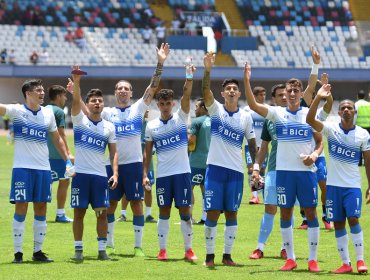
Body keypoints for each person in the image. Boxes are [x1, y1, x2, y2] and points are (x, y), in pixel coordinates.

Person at [244, 65, 324, 272]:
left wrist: (314, 155)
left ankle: (312, 259)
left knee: (311, 213)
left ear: (300, 93)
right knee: (285, 214)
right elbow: (253, 105)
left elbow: (319, 141)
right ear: (285, 93)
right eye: (289, 90)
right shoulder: (276, 114)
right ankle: (291, 258)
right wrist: (246, 79)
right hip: (283, 174)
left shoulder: (309, 114)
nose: (292, 93)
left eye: (296, 90)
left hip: (306, 173)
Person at [102, 43, 170, 256]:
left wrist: (160, 63)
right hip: (111, 166)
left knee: (137, 205)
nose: (123, 90)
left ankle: (138, 247)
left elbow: (153, 87)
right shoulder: (106, 112)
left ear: (131, 93)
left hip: (133, 165)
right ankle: (110, 243)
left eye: (126, 88)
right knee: (110, 206)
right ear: (115, 93)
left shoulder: (139, 107)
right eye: (119, 88)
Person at [0, 79, 72, 263]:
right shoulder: (17, 111)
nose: (42, 93)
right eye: (38, 90)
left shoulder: (48, 114)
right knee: (21, 208)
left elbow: (57, 140)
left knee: (41, 207)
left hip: (43, 169)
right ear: (28, 93)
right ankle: (18, 254)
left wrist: (68, 162)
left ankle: (38, 252)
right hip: (22, 169)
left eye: (42, 90)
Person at [306, 85, 370, 274]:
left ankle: (360, 261)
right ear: (339, 111)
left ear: (355, 111)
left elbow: (368, 162)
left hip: (352, 186)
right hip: (333, 186)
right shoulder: (331, 129)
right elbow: (310, 120)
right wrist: (318, 97)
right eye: (343, 108)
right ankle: (346, 263)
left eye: (350, 107)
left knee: (353, 219)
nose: (347, 110)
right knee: (339, 223)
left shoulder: (363, 134)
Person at [202, 52, 257, 267]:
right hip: (215, 169)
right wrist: (207, 70)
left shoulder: (246, 116)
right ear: (223, 93)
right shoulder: (215, 110)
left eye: (235, 88)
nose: (232, 91)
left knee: (232, 212)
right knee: (213, 212)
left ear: (239, 93)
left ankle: (227, 256)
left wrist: (254, 168)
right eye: (228, 89)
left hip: (235, 172)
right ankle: (209, 257)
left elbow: (252, 144)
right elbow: (205, 91)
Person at [143, 66, 197, 261]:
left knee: (185, 211)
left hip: (182, 173)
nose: (165, 106)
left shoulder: (181, 120)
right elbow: (147, 154)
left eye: (168, 103)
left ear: (173, 104)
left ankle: (188, 250)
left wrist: (189, 77)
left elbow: (186, 94)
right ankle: (162, 250)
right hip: (164, 175)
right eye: (162, 103)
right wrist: (144, 174)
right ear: (158, 105)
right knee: (163, 211)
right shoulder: (151, 126)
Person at [70, 66, 118, 261]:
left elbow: (114, 153)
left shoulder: (109, 127)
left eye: (100, 101)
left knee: (102, 214)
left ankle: (101, 251)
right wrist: (77, 83)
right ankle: (78, 251)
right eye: (93, 101)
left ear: (103, 104)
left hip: (100, 177)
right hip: (80, 175)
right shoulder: (80, 121)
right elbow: (75, 101)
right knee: (79, 213)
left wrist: (115, 173)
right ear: (87, 104)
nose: (97, 103)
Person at [249, 84, 288, 260]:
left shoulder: (299, 116)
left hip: (293, 170)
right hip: (273, 169)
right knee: (270, 207)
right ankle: (259, 247)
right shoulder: (269, 119)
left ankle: (285, 247)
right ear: (274, 99)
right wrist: (256, 168)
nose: (285, 97)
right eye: (280, 95)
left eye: (286, 94)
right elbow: (264, 147)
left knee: (287, 209)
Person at [46, 85, 74, 223]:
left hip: (43, 154)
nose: (65, 98)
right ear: (58, 96)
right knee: (65, 180)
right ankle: (60, 214)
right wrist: (68, 154)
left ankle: (40, 214)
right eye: (64, 95)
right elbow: (61, 135)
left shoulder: (43, 109)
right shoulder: (58, 112)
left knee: (46, 182)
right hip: (57, 155)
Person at [188, 98, 211, 224]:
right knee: (205, 189)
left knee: (189, 187)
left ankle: (189, 217)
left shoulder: (197, 121)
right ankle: (205, 217)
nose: (195, 109)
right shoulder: (214, 121)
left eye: (196, 106)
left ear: (203, 107)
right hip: (210, 161)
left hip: (196, 160)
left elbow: (191, 140)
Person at [245, 86, 267, 205]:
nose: (263, 97)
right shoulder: (247, 110)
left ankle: (261, 194)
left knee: (262, 170)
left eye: (264, 95)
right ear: (254, 96)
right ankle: (254, 196)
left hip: (263, 145)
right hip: (250, 145)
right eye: (260, 95)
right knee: (251, 168)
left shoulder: (267, 110)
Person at [354, 89, 370, 166]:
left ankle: (359, 162)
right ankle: (367, 162)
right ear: (364, 96)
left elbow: (355, 116)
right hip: (369, 127)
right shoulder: (368, 104)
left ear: (357, 96)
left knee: (359, 145)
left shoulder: (356, 104)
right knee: (368, 145)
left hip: (359, 127)